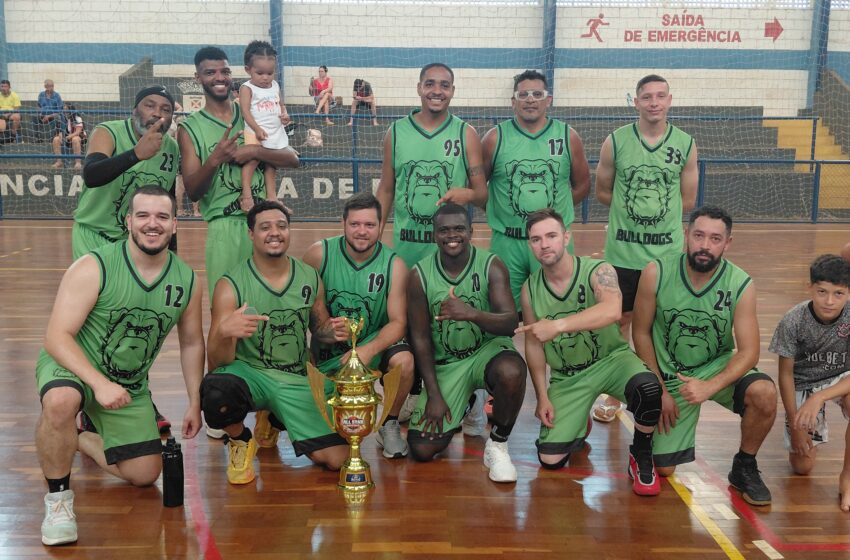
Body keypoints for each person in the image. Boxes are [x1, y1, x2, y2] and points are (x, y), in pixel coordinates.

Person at [35, 186, 204, 545]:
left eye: (161, 217)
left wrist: (194, 400)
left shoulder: (187, 280)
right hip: (73, 366)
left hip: (127, 383)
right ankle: (59, 500)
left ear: (175, 224)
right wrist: (98, 384)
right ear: (128, 221)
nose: (152, 224)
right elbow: (56, 337)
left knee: (144, 474)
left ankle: (78, 439)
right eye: (143, 215)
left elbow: (191, 342)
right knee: (61, 401)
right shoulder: (93, 266)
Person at [632, 205, 777, 505]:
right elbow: (641, 333)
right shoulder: (656, 272)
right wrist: (659, 389)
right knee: (665, 468)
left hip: (716, 368)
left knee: (764, 393)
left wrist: (710, 386)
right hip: (671, 377)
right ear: (686, 234)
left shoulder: (741, 283)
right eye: (698, 236)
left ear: (727, 243)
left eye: (714, 238)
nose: (705, 245)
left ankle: (745, 466)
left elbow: (749, 352)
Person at [200, 200, 350, 484]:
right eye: (265, 227)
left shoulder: (308, 277)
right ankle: (241, 440)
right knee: (218, 390)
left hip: (294, 378)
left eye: (281, 226)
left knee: (337, 460)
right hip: (252, 374)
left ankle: (273, 417)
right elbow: (217, 365)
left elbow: (319, 329)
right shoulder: (230, 285)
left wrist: (334, 331)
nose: (275, 232)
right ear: (251, 234)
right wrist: (224, 332)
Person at [516, 209, 662, 495]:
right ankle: (578, 418)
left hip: (612, 361)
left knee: (648, 388)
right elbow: (534, 345)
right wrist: (542, 396)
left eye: (551, 236)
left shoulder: (599, 270)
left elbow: (611, 309)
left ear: (566, 237)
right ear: (530, 244)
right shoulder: (529, 289)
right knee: (550, 459)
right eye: (535, 239)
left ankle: (641, 454)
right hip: (568, 377)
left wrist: (558, 326)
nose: (544, 244)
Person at [592, 74, 699, 423]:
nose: (654, 102)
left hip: (665, 256)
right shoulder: (616, 141)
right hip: (623, 252)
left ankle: (660, 389)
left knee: (659, 325)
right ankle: (611, 392)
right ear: (635, 102)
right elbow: (602, 191)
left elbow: (688, 199)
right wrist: (630, 214)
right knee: (617, 322)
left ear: (670, 100)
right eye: (647, 97)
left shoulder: (685, 144)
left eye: (660, 96)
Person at [406, 203, 527, 483]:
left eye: (459, 228)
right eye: (444, 230)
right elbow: (421, 338)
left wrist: (470, 313)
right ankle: (466, 401)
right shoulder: (419, 276)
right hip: (448, 364)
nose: (452, 235)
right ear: (433, 234)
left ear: (471, 231)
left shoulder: (491, 265)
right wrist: (434, 394)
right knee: (422, 448)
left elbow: (510, 322)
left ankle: (497, 444)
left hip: (487, 352)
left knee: (511, 371)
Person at [178, 46, 299, 294]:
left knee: (268, 306)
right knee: (229, 310)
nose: (219, 78)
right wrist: (215, 159)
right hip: (225, 227)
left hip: (265, 223)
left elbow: (292, 158)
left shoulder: (253, 111)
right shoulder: (190, 127)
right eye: (210, 72)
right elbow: (192, 191)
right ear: (197, 78)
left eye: (224, 71)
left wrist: (254, 152)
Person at [302, 192, 414, 458]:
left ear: (380, 226)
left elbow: (399, 322)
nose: (362, 231)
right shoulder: (319, 254)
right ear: (343, 223)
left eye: (369, 225)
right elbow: (302, 312)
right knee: (334, 446)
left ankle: (389, 423)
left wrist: (368, 350)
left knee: (405, 362)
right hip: (330, 356)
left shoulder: (394, 265)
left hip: (371, 348)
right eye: (355, 224)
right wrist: (322, 329)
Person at [482, 69, 590, 308]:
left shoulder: (567, 136)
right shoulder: (494, 138)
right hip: (507, 242)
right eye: (523, 94)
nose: (530, 99)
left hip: (552, 242)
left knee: (559, 310)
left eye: (537, 93)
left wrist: (552, 220)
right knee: (505, 314)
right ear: (513, 102)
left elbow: (583, 184)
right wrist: (500, 211)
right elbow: (479, 188)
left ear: (548, 99)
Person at [376, 62, 488, 269]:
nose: (437, 91)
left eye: (444, 85)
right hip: (407, 249)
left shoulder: (466, 134)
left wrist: (469, 195)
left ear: (452, 91)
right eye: (430, 84)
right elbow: (385, 189)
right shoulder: (396, 132)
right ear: (419, 88)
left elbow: (482, 194)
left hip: (451, 252)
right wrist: (376, 237)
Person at [770, 254, 850, 512]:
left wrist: (821, 398)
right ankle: (808, 430)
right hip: (804, 382)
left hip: (840, 378)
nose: (829, 301)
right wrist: (795, 423)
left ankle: (847, 478)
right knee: (802, 467)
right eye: (822, 291)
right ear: (810, 288)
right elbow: (785, 375)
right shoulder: (793, 320)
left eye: (838, 294)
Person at [73, 86, 179, 260]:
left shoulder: (171, 148)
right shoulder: (108, 131)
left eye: (165, 109)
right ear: (134, 111)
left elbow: (168, 202)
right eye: (149, 106)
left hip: (137, 243)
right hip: (94, 236)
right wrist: (135, 154)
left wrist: (172, 251)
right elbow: (91, 175)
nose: (157, 113)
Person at [239, 40, 292, 213]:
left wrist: (285, 116)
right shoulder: (246, 88)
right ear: (248, 69)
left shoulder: (275, 85)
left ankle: (272, 197)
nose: (265, 77)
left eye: (270, 73)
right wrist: (256, 129)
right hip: (255, 131)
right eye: (259, 73)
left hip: (273, 131)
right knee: (253, 160)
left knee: (272, 164)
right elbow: (245, 112)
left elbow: (281, 105)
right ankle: (246, 194)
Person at [51, 104, 85, 169]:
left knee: (75, 139)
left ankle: (78, 162)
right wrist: (60, 135)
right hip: (67, 138)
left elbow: (78, 131)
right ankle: (59, 162)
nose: (65, 111)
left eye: (66, 109)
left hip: (79, 137)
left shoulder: (77, 117)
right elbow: (60, 130)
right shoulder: (62, 118)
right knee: (56, 139)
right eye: (64, 109)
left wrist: (70, 136)